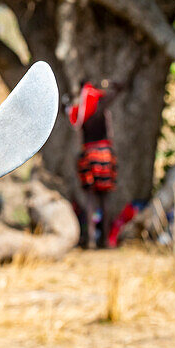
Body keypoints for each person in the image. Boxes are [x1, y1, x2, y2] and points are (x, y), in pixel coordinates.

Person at [65, 78, 122, 248]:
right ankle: (105, 239)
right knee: (105, 199)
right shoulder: (101, 106)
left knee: (91, 200)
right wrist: (108, 84)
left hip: (89, 156)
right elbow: (118, 88)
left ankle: (91, 239)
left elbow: (65, 110)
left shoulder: (79, 111)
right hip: (104, 155)